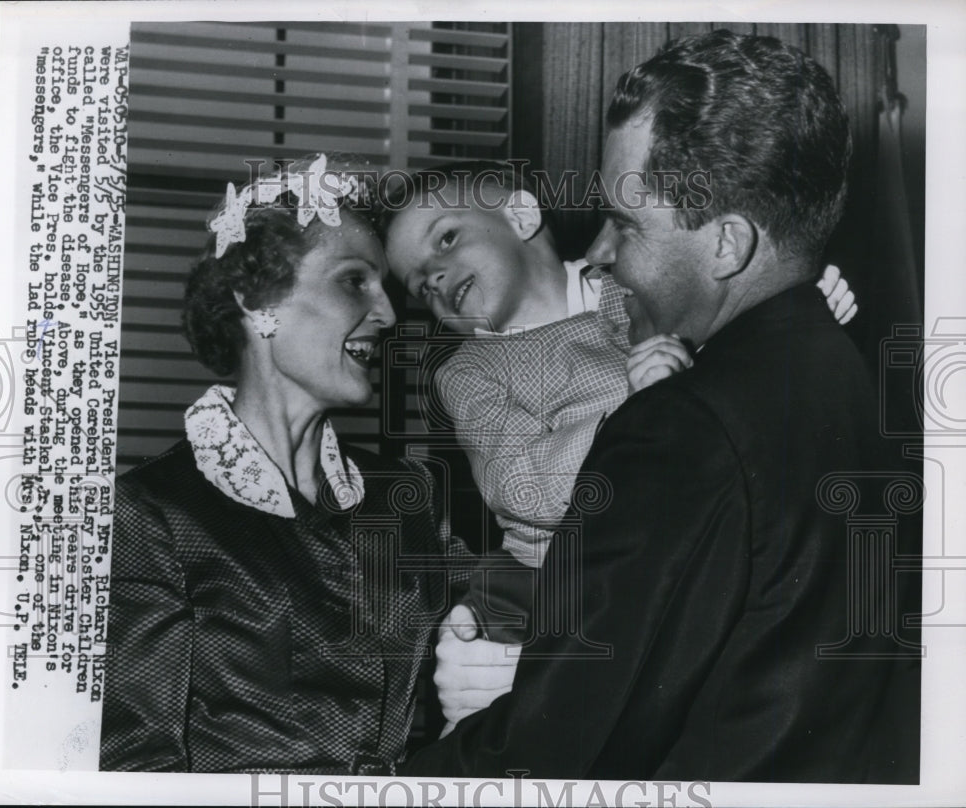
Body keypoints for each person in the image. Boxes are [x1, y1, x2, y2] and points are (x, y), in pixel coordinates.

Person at [401, 30, 919, 781]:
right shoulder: (842, 374)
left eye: (628, 222)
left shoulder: (681, 427)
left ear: (727, 245)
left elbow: (560, 747)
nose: (602, 250)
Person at [99, 154, 472, 774]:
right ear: (254, 297)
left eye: (384, 287)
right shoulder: (150, 514)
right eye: (354, 280)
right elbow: (135, 767)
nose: (387, 314)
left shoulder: (409, 493)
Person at [382, 161, 857, 641]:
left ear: (522, 217)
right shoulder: (467, 370)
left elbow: (726, 335)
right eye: (420, 286)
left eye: (445, 241)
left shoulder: (629, 279)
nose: (435, 279)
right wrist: (634, 410)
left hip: (685, 535)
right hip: (559, 569)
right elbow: (516, 483)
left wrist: (794, 316)